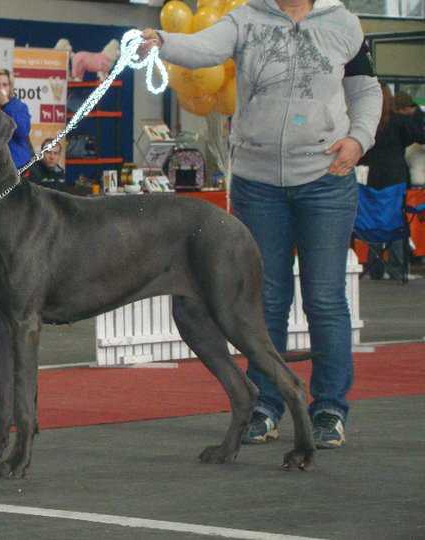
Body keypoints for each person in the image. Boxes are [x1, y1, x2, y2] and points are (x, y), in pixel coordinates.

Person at [139, 0, 382, 449]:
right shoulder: (245, 19)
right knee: (263, 301)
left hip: (327, 178)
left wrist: (358, 139)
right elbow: (205, 48)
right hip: (257, 182)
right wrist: (164, 41)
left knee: (325, 298)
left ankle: (329, 408)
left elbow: (366, 91)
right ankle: (265, 406)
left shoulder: (345, 23)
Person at [359, 86, 425, 280]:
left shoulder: (368, 124)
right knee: (395, 220)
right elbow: (419, 137)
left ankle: (375, 267)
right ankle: (397, 268)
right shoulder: (399, 121)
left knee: (374, 220)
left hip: (372, 176)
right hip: (395, 176)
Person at [0, 69, 33, 169]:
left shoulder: (19, 107)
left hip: (15, 165)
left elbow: (23, 132)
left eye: (4, 85)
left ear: (10, 87)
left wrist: (6, 105)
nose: (0, 89)